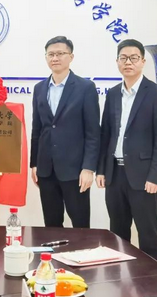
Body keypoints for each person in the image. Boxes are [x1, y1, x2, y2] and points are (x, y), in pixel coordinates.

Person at [96, 38, 157, 261]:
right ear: (117, 62)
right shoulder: (112, 94)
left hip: (144, 177)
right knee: (117, 234)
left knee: (148, 234)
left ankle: (153, 279)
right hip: (115, 175)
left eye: (133, 58)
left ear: (142, 62)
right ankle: (120, 277)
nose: (128, 62)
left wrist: (155, 176)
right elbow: (106, 134)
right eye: (123, 58)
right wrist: (102, 170)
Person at [30, 36, 101, 228]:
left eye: (60, 53)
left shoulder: (85, 88)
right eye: (51, 54)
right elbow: (37, 129)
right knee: (51, 225)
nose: (55, 58)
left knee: (80, 226)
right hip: (46, 169)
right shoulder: (39, 88)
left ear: (71, 57)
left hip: (75, 170)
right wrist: (34, 163)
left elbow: (93, 132)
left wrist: (88, 168)